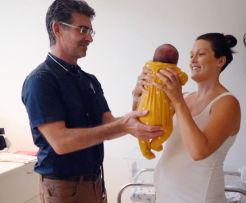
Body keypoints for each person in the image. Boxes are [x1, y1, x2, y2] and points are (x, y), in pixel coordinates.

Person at [21, 0, 163, 203]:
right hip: (63, 189)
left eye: (90, 32)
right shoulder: (41, 80)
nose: (89, 38)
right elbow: (60, 142)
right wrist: (124, 125)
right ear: (57, 28)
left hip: (96, 182)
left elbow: (108, 124)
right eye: (82, 30)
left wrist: (138, 103)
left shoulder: (89, 80)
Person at [132, 33, 241, 203]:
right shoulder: (186, 97)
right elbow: (146, 130)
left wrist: (177, 100)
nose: (192, 60)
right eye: (191, 55)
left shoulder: (227, 103)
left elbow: (199, 151)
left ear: (220, 61)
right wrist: (138, 96)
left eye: (201, 54)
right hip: (167, 197)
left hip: (198, 197)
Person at [137, 44, 188, 160]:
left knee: (141, 133)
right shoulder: (173, 71)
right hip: (162, 117)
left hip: (142, 113)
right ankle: (155, 144)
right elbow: (184, 78)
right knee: (167, 130)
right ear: (175, 62)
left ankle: (145, 150)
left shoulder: (148, 67)